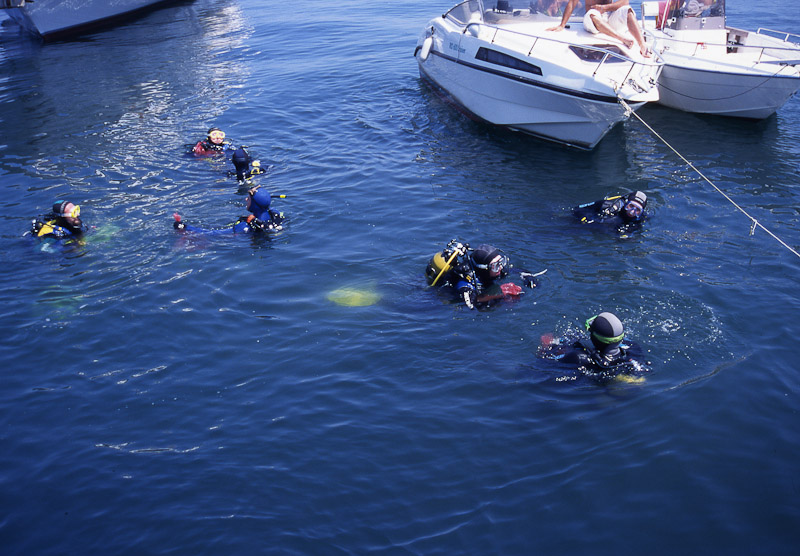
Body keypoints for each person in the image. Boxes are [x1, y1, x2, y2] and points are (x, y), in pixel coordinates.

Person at [425, 239, 545, 309]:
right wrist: (501, 294)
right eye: (496, 265)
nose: (501, 267)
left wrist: (528, 276)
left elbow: (516, 270)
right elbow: (471, 304)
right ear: (483, 268)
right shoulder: (464, 281)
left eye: (501, 262)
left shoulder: (494, 269)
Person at [538, 311, 644, 377]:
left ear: (594, 338)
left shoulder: (579, 358)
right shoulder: (633, 347)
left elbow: (546, 362)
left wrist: (545, 347)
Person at [548, 0, 651, 57]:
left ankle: (642, 45)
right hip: (593, 21)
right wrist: (562, 25)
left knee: (627, 10)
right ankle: (622, 39)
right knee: (592, 14)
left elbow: (625, 2)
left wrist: (605, 8)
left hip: (609, 16)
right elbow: (572, 3)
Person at [173, 186, 285, 235]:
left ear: (255, 204)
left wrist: (186, 227)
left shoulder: (245, 227)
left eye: (249, 199)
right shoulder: (274, 214)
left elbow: (214, 234)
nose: (246, 199)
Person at [573, 190, 648, 234]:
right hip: (583, 225)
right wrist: (585, 220)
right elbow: (577, 209)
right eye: (631, 206)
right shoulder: (607, 205)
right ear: (626, 203)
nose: (632, 211)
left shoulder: (640, 220)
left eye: (637, 210)